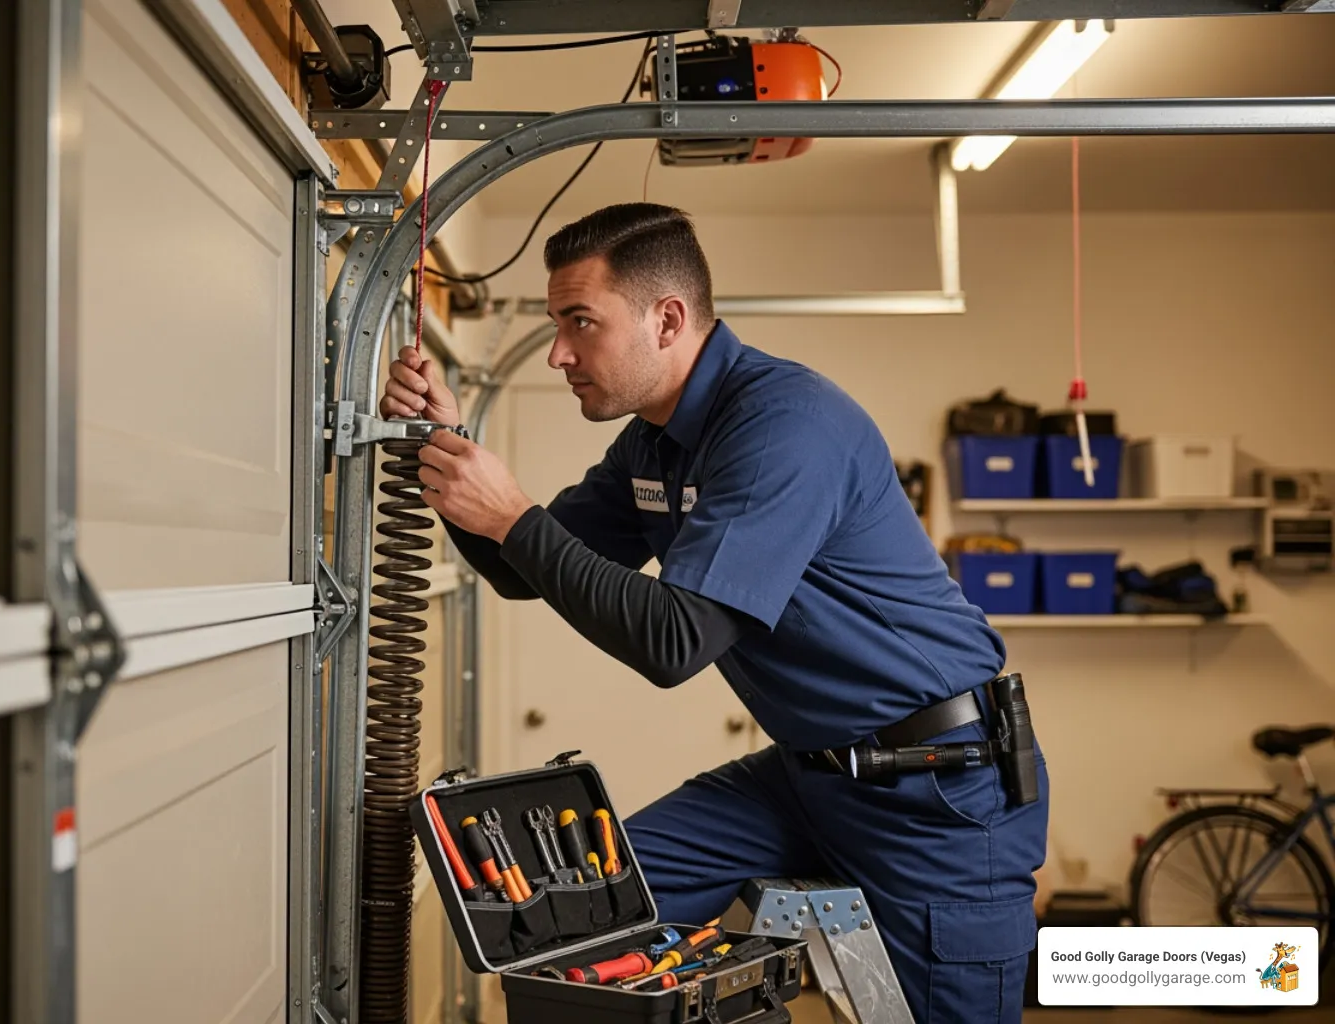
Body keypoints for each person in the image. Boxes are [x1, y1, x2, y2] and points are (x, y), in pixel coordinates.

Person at [380, 203, 1048, 1022]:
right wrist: (446, 448)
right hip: (808, 772)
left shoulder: (784, 424)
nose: (559, 353)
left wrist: (514, 514)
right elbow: (525, 570)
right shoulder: (655, 443)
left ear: (668, 320)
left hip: (937, 787)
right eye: (558, 324)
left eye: (580, 323)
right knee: (585, 908)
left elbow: (675, 642)